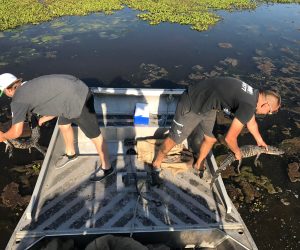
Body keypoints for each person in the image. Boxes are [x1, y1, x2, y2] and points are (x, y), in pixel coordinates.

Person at [152, 77, 281, 176]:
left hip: (209, 106)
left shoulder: (253, 95)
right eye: (269, 112)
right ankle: (156, 163)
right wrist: (237, 153)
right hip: (192, 103)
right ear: (265, 105)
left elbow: (251, 122)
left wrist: (259, 140)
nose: (267, 114)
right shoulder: (248, 105)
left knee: (211, 138)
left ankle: (198, 165)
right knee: (175, 139)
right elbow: (229, 139)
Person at [0, 73, 113, 181]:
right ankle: (71, 154)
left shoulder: (18, 100)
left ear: (8, 89)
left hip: (78, 98)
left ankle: (107, 168)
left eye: (3, 92)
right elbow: (53, 99)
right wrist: (44, 119)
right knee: (63, 125)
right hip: (70, 90)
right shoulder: (27, 85)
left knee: (95, 136)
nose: (5, 94)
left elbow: (16, 132)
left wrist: (3, 136)